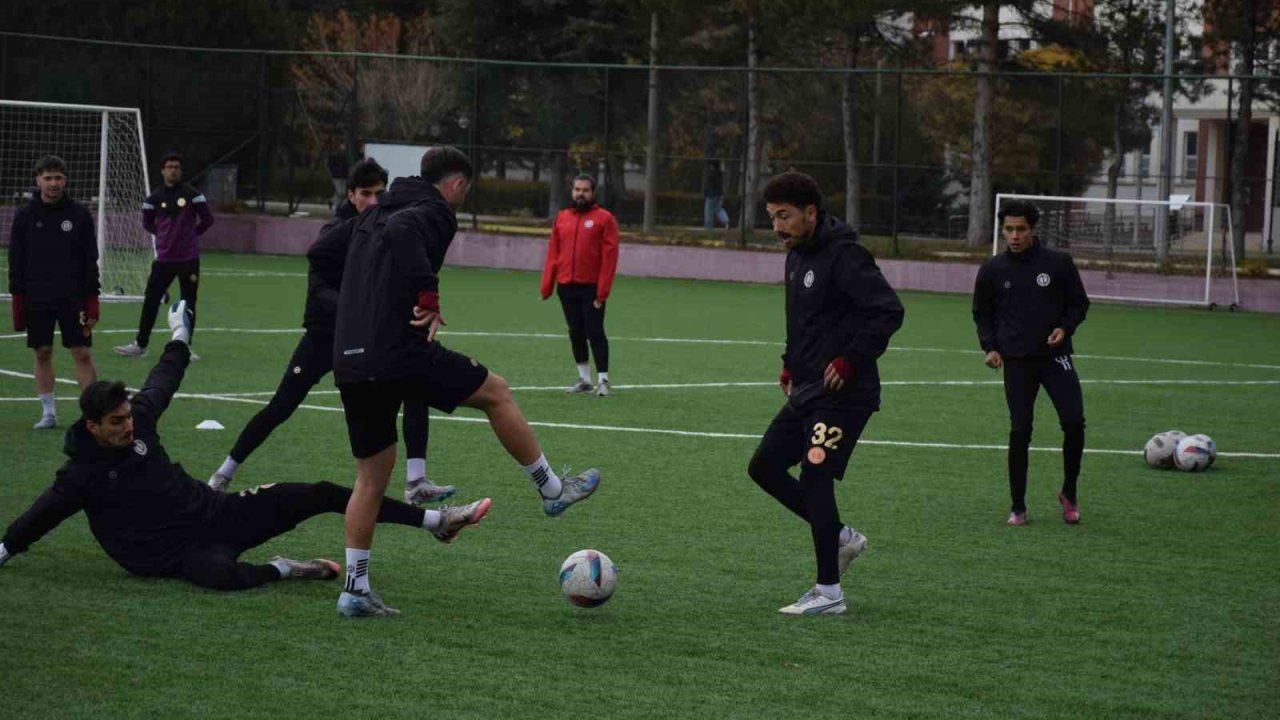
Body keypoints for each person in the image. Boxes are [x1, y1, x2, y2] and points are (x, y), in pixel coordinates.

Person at [0, 301, 489, 597]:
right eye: (116, 423)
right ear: (92, 427)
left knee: (317, 492)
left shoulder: (140, 418)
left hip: (220, 513)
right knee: (221, 577)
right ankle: (287, 569)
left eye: (128, 417)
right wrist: (5, 547)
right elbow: (42, 515)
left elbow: (164, 379)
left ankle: (436, 522)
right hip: (171, 557)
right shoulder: (80, 475)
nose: (128, 426)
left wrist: (179, 335)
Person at [329, 146, 600, 617]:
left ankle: (355, 590)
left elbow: (325, 249)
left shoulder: (373, 212)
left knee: (370, 478)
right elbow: (403, 233)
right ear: (456, 185)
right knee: (496, 392)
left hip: (350, 357)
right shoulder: (432, 209)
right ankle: (553, 490)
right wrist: (428, 294)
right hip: (396, 351)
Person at [207, 159, 454, 506]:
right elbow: (319, 291)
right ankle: (224, 472)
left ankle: (416, 481)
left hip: (370, 340)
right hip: (326, 337)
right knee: (282, 404)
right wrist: (361, 311)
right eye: (365, 193)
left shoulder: (388, 226)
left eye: (379, 193)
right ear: (351, 195)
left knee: (415, 386)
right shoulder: (337, 232)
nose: (372, 200)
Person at [747, 171, 904, 616]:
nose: (777, 226)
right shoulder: (795, 255)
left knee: (815, 475)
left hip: (845, 394)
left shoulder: (846, 256)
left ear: (811, 213)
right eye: (772, 217)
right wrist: (788, 361)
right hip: (808, 388)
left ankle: (829, 594)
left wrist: (849, 359)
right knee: (764, 468)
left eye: (785, 216)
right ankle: (840, 537)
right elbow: (803, 319)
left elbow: (889, 311)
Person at [972, 200, 1090, 526]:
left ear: (1033, 229)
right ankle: (1018, 506)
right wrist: (990, 348)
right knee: (1020, 430)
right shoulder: (993, 270)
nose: (1014, 236)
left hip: (1056, 358)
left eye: (1020, 229)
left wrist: (1065, 327)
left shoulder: (1058, 263)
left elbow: (1079, 303)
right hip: (1017, 363)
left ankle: (1069, 491)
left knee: (1074, 422)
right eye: (1008, 229)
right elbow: (982, 314)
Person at [7, 155, 100, 429]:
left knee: (81, 352)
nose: (53, 183)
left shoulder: (79, 214)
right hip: (37, 296)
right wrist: (17, 297)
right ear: (38, 180)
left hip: (74, 297)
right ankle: (48, 412)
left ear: (65, 180)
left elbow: (89, 259)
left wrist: (92, 298)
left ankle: (91, 416)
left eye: (58, 178)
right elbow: (16, 259)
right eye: (48, 178)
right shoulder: (25, 215)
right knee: (43, 352)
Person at [114, 153, 213, 358]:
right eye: (169, 166)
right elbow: (147, 223)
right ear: (162, 170)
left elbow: (207, 219)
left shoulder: (193, 195)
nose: (173, 170)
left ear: (180, 170)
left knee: (188, 303)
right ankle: (140, 345)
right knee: (151, 299)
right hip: (164, 260)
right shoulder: (153, 199)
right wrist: (163, 236)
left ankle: (185, 347)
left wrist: (192, 236)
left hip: (188, 259)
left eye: (176, 166)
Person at [539, 173, 620, 396]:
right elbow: (553, 253)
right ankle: (584, 380)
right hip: (566, 286)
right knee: (575, 332)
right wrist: (547, 286)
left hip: (592, 287)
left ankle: (603, 379)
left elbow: (609, 258)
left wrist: (602, 291)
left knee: (594, 331)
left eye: (585, 190)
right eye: (577, 190)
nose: (580, 194)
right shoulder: (562, 217)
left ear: (593, 193)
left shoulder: (605, 219)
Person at [703, 159, 730, 229]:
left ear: (712, 166)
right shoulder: (719, 173)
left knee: (708, 210)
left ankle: (708, 226)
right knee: (718, 209)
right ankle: (725, 221)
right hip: (719, 194)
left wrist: (706, 193)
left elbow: (709, 185)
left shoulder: (711, 174)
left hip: (712, 195)